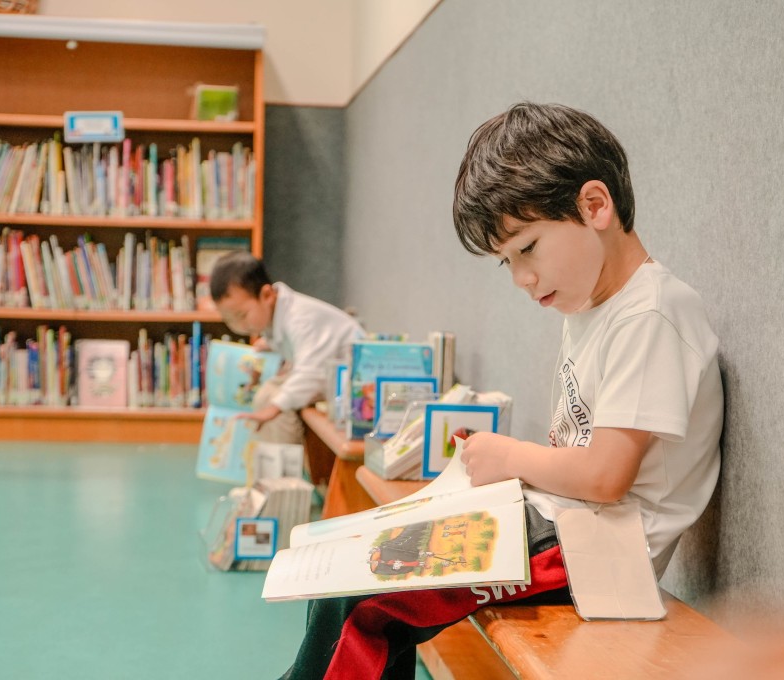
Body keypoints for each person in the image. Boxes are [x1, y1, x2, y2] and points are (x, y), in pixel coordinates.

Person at [279, 102, 723, 680]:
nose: (521, 278)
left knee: (364, 597)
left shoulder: (652, 315)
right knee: (349, 568)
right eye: (506, 262)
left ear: (594, 206)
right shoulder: (593, 307)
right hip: (560, 529)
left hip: (595, 555)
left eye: (528, 248)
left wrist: (507, 456)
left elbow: (605, 477)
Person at [209, 251, 364, 444]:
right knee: (265, 394)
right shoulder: (273, 318)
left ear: (266, 295)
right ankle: (273, 465)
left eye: (241, 316)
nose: (237, 326)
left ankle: (283, 471)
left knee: (275, 403)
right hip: (326, 378)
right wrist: (270, 344)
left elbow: (311, 372)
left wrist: (274, 408)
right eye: (229, 320)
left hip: (349, 383)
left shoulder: (300, 319)